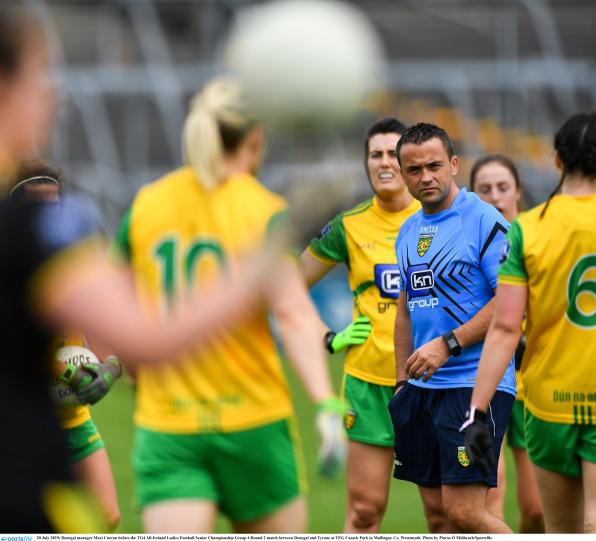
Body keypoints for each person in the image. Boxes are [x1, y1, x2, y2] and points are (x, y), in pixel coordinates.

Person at [0, 6, 327, 532]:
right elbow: (148, 339)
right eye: (39, 76)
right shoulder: (35, 227)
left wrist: (96, 368)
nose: (52, 95)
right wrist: (262, 263)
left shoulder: (50, 221)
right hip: (28, 485)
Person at [114, 77, 347, 533]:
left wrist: (132, 367)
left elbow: (115, 304)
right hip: (252, 420)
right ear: (255, 137)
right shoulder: (262, 210)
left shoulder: (146, 206)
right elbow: (292, 312)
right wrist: (324, 403)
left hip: (168, 426)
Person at [464, 112, 596, 533]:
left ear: (557, 160)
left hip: (550, 406)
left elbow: (505, 327)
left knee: (561, 531)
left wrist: (478, 409)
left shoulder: (527, 230)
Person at [391, 123, 516, 534]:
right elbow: (405, 311)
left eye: (434, 166)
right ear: (403, 173)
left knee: (465, 513)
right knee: (438, 518)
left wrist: (448, 344)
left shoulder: (483, 220)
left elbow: (510, 302)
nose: (425, 177)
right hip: (421, 390)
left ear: (455, 165)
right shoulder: (408, 231)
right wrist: (401, 382)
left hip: (473, 384)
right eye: (414, 170)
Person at [301, 118, 419, 532]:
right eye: (375, 155)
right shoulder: (348, 226)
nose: (384, 162)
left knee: (445, 517)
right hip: (368, 385)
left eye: (393, 154)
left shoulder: (443, 217)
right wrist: (326, 337)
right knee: (365, 511)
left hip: (433, 382)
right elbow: (289, 286)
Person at [10, 161, 122, 530]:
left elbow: (110, 334)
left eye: (54, 202)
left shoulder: (74, 262)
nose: (48, 211)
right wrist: (67, 370)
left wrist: (108, 370)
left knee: (107, 516)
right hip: (22, 425)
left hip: (73, 419)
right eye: (36, 202)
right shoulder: (11, 263)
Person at [469, 155, 544, 533]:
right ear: (472, 195)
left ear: (518, 191)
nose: (496, 196)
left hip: (537, 384)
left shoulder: (538, 239)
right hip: (488, 380)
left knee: (537, 509)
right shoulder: (466, 242)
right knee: (491, 490)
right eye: (485, 189)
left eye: (503, 187)